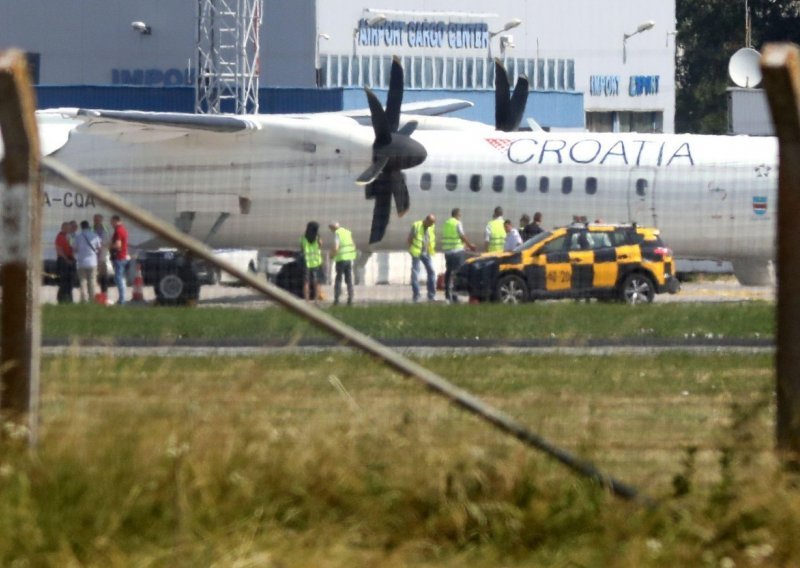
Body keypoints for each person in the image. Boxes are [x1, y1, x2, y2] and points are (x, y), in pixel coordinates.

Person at [440, 208, 476, 303]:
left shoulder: (446, 223)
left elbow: (452, 237)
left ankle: (448, 295)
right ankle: (455, 296)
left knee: (448, 272)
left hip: (448, 252)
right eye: (460, 215)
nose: (460, 217)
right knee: (458, 274)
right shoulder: (457, 223)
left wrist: (463, 247)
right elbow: (461, 235)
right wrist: (470, 245)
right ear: (457, 215)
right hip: (457, 252)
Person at [408, 214, 437, 302]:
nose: (431, 225)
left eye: (433, 223)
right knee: (415, 273)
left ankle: (431, 295)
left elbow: (431, 238)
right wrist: (411, 249)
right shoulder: (416, 225)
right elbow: (410, 239)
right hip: (416, 252)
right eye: (430, 223)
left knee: (432, 272)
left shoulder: (431, 227)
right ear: (427, 220)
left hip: (426, 252)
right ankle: (416, 295)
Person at [74, 220, 102, 303]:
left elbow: (75, 249)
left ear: (81, 227)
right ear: (88, 226)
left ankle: (84, 299)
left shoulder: (78, 237)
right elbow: (99, 248)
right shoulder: (95, 235)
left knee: (82, 281)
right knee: (92, 281)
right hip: (92, 262)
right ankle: (92, 299)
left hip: (81, 262)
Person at [329, 221, 356, 305]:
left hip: (341, 259)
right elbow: (353, 245)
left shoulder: (337, 233)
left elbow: (336, 247)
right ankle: (350, 298)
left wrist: (332, 255)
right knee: (349, 279)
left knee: (338, 279)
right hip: (349, 259)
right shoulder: (347, 232)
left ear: (333, 228)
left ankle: (336, 299)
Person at [300, 221, 323, 302]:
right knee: (317, 282)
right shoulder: (317, 238)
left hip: (306, 262)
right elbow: (320, 246)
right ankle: (316, 299)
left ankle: (307, 300)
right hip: (316, 262)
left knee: (306, 282)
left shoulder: (303, 238)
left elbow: (302, 248)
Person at [110, 215, 130, 305]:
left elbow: (118, 245)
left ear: (116, 221)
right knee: (120, 278)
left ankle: (122, 300)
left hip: (119, 257)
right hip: (123, 256)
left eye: (112, 222)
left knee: (118, 279)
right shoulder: (123, 230)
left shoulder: (118, 231)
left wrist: (108, 246)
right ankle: (122, 298)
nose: (111, 224)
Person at [54, 221, 75, 304]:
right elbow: (59, 250)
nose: (69, 229)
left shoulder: (69, 236)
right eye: (68, 228)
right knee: (63, 280)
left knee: (70, 280)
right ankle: (61, 298)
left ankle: (69, 297)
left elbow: (73, 247)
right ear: (63, 228)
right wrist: (67, 259)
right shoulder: (60, 237)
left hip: (70, 259)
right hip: (63, 260)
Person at [93, 213, 111, 298]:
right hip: (93, 256)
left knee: (103, 276)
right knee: (93, 276)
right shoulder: (91, 229)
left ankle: (104, 293)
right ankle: (93, 295)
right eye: (95, 220)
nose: (96, 221)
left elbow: (108, 241)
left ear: (101, 220)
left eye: (98, 220)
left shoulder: (105, 229)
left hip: (102, 256)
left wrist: (102, 245)